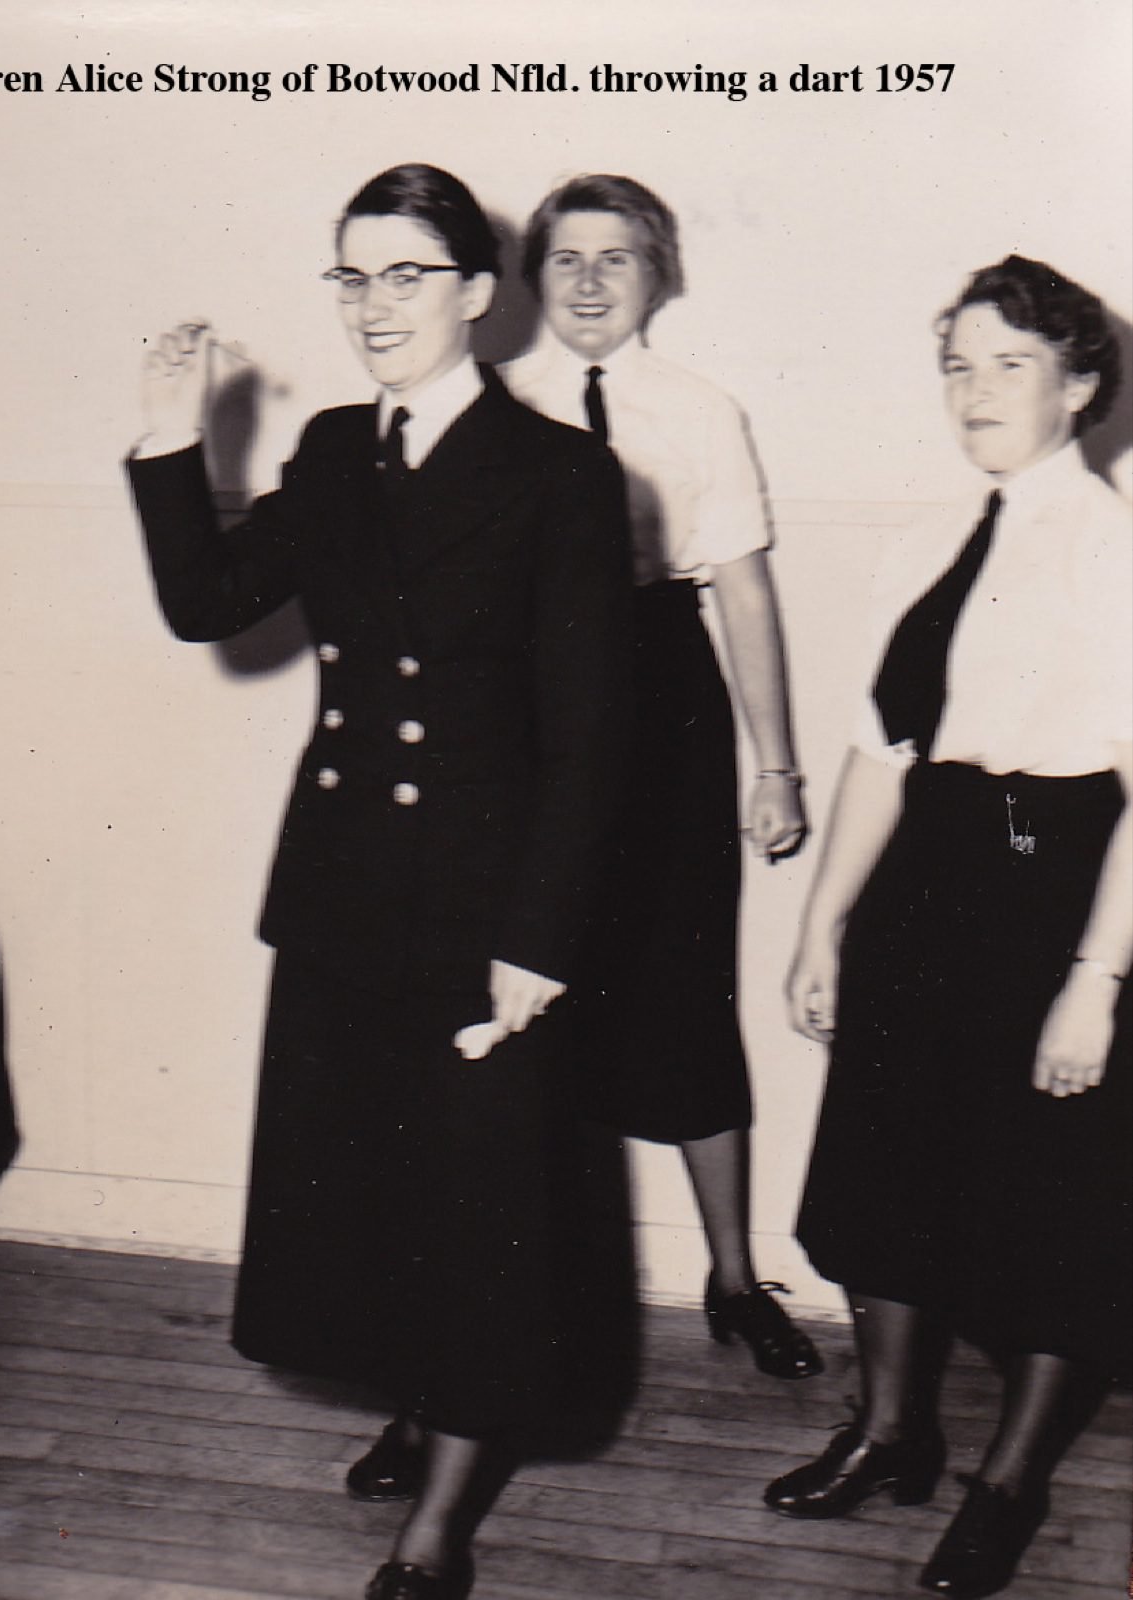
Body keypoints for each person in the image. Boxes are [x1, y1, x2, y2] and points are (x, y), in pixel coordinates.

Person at [125, 164, 633, 1600]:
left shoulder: (561, 473)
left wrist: (539, 939)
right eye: (351, 277)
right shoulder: (338, 448)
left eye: (406, 275)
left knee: (481, 1211)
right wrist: (170, 438)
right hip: (345, 892)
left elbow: (592, 739)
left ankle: (437, 1531)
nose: (372, 306)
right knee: (378, 1188)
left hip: (485, 909)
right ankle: (419, 1404)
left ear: (478, 293)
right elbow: (208, 605)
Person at [766, 256, 1131, 1599]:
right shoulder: (922, 539)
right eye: (956, 366)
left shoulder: (1117, 551)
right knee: (884, 1165)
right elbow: (881, 751)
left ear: (1077, 387)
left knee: (1053, 1198)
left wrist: (1094, 978)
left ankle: (1007, 1483)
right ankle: (889, 1433)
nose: (974, 392)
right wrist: (822, 924)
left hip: (1056, 871)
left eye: (1009, 366)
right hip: (927, 877)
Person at [503, 174, 821, 1380]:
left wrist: (774, 765)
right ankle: (503, 1305)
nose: (589, 281)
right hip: (529, 705)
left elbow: (742, 592)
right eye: (566, 257)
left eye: (617, 258)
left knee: (683, 992)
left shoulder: (698, 409)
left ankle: (733, 1278)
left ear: (658, 276)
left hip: (664, 699)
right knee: (521, 1004)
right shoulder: (491, 406)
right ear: (530, 277)